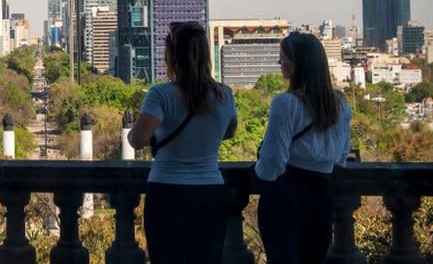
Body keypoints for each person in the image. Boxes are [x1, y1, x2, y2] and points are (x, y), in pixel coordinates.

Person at [127, 22, 238, 263]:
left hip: (167, 191)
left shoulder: (161, 94)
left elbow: (137, 141)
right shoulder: (224, 94)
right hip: (210, 192)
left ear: (171, 57)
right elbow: (229, 131)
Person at [255, 32, 352, 263]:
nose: (279, 63)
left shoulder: (285, 103)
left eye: (283, 57)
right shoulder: (339, 104)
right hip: (322, 196)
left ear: (297, 64)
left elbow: (273, 161)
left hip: (285, 197)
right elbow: (341, 156)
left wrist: (258, 173)